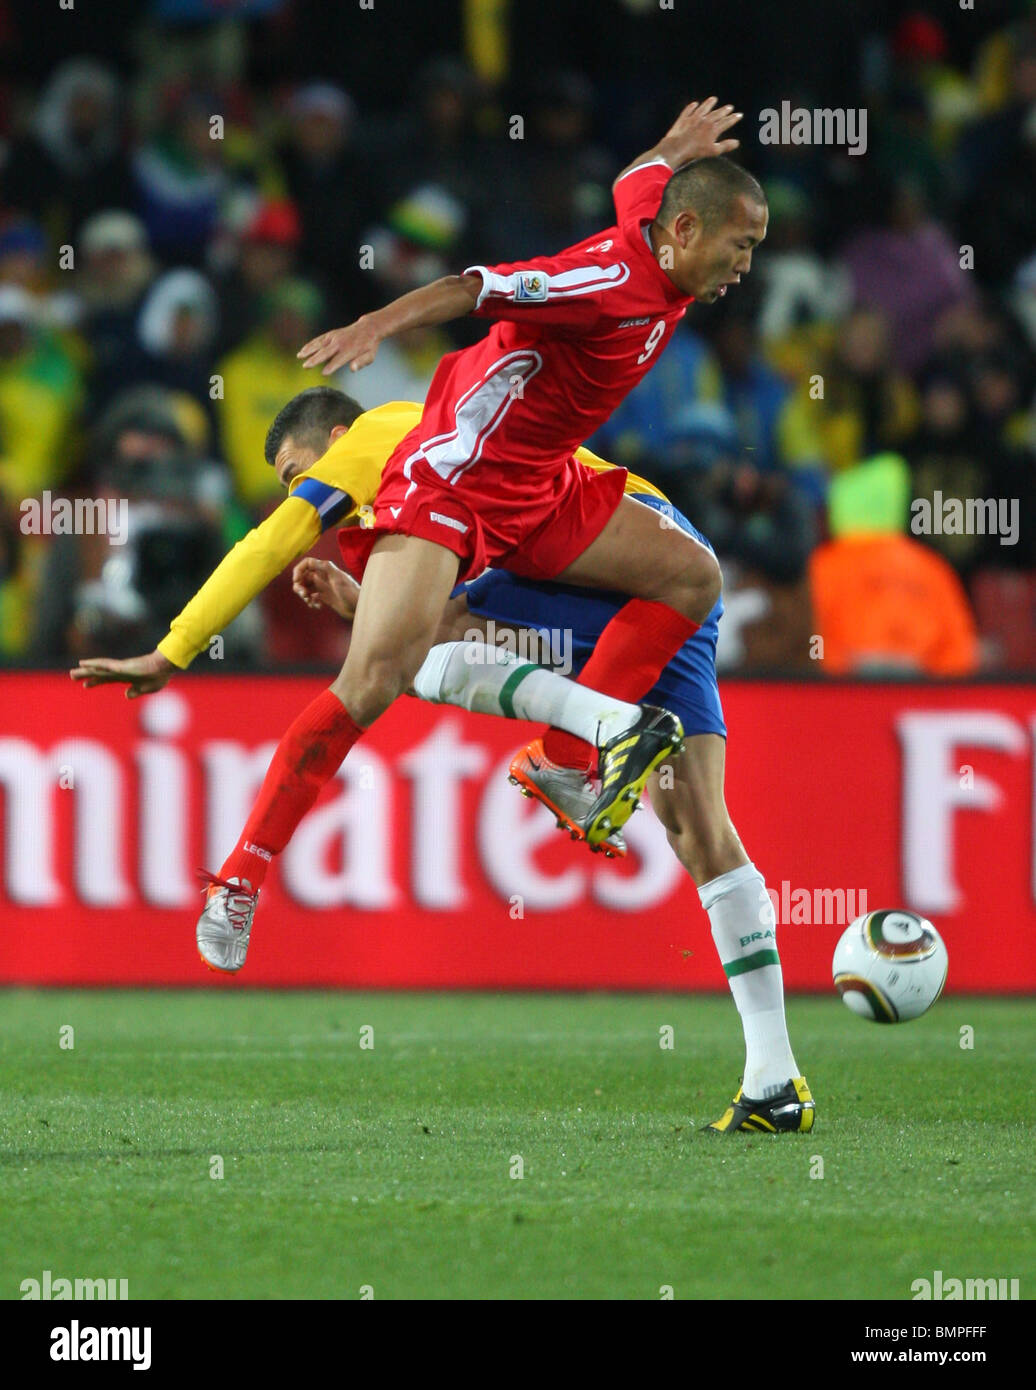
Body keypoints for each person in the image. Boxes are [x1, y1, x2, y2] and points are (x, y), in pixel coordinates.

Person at [77, 97, 768, 1006]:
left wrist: (673, 148)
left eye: (753, 249)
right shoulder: (584, 299)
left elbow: (633, 178)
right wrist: (373, 329)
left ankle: (566, 762)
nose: (744, 267)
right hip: (457, 487)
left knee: (692, 575)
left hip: (545, 483)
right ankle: (240, 880)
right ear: (685, 231)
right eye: (740, 246)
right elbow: (473, 288)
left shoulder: (657, 230)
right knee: (371, 683)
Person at [73, 385, 814, 1135]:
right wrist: (367, 602)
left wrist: (173, 649)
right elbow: (442, 603)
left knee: (407, 668)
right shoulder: (431, 473)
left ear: (335, 435)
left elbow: (269, 543)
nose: (304, 494)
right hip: (653, 581)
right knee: (702, 837)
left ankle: (582, 750)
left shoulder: (374, 435)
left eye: (299, 472)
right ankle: (774, 1078)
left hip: (617, 559)